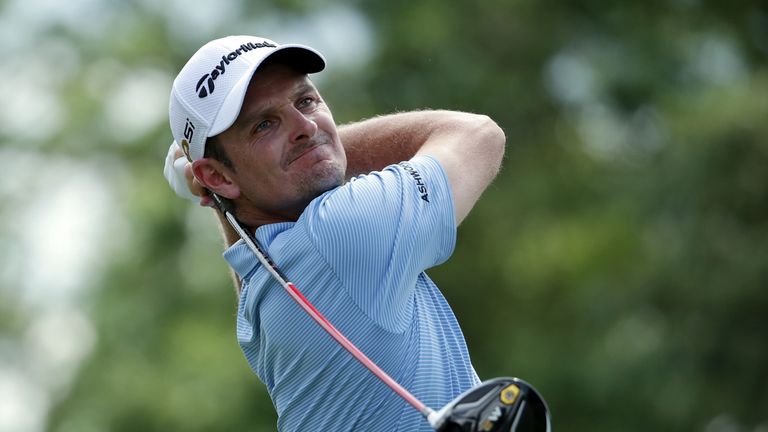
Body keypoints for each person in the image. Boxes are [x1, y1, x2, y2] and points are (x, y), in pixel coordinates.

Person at [164, 35, 505, 431]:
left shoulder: (265, 284)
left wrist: (223, 186)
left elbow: (253, 241)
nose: (305, 126)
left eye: (305, 101)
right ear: (217, 176)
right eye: (264, 125)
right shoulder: (344, 231)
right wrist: (320, 146)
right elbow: (479, 135)